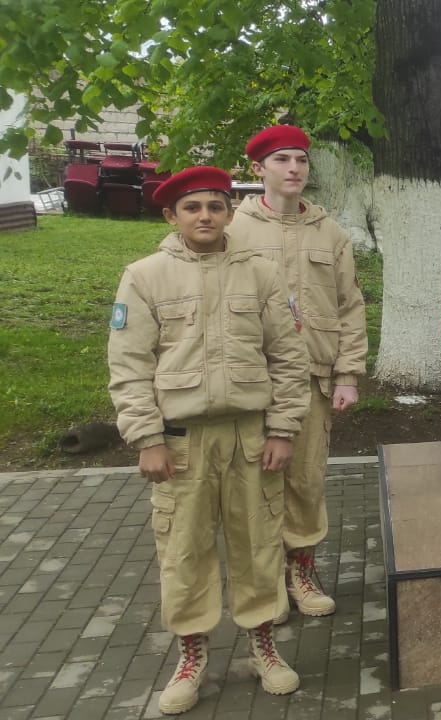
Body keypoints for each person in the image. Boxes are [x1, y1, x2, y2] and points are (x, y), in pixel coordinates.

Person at [108, 166, 309, 714]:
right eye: (192, 208)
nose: (205, 216)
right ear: (171, 216)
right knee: (184, 551)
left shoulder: (261, 273)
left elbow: (288, 357)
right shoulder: (145, 277)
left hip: (251, 439)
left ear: (229, 213)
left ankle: (263, 647)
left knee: (258, 546)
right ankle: (192, 656)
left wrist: (283, 428)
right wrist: (146, 437)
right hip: (181, 444)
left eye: (216, 206)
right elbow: (129, 365)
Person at [228, 125, 368, 621]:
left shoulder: (330, 233)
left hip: (312, 377)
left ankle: (302, 572)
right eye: (282, 160)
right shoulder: (234, 230)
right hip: (252, 379)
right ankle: (265, 583)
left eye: (301, 160)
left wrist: (347, 374)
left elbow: (349, 306)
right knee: (256, 483)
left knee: (305, 482)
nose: (294, 169)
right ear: (258, 169)